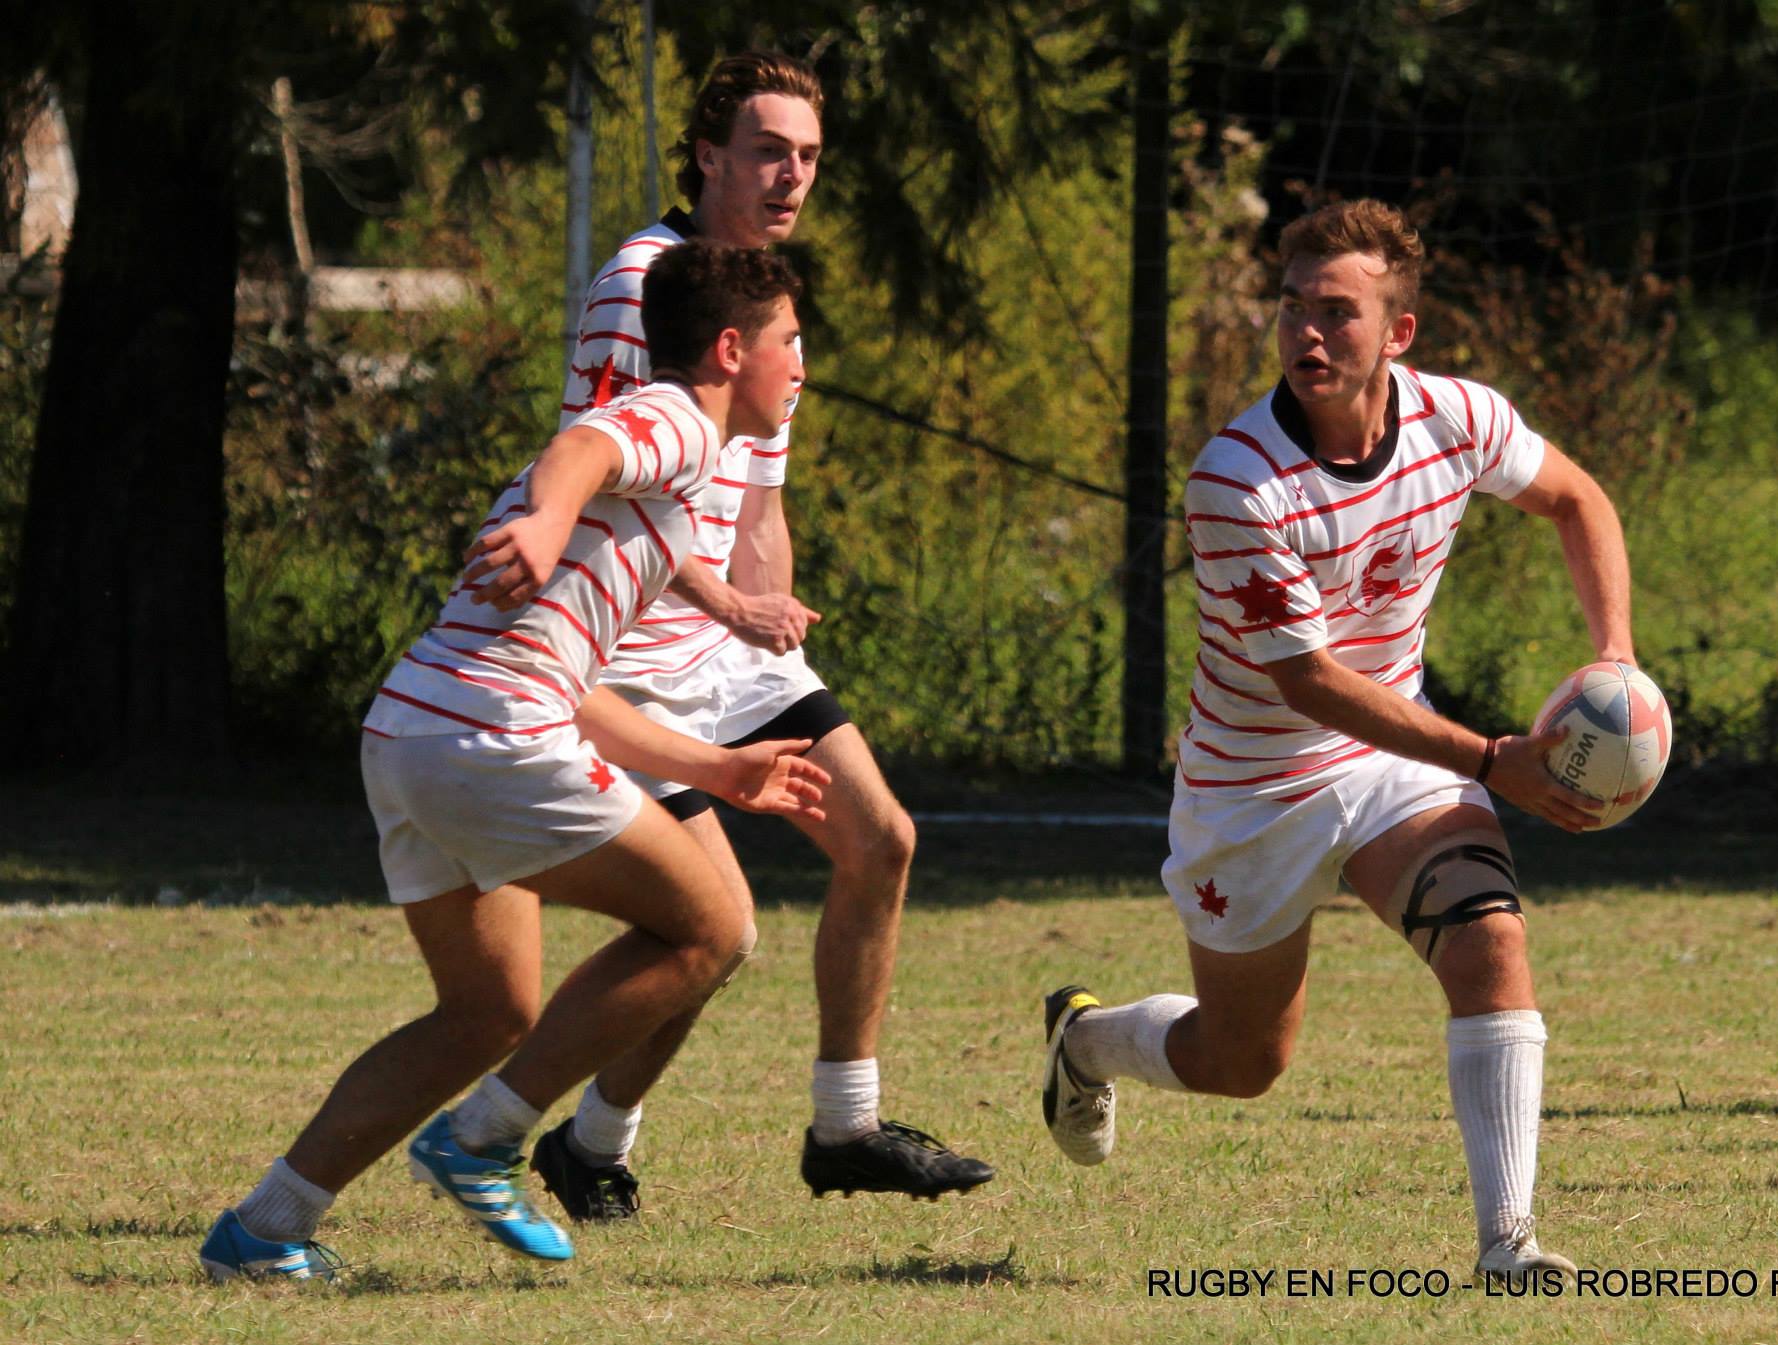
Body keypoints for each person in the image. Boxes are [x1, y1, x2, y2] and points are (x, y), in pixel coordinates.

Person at [200, 241, 825, 1279]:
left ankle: (262, 1229)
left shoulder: (670, 501)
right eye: (789, 340)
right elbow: (584, 445)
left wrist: (715, 768)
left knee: (488, 1011)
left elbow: (573, 684)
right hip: (487, 736)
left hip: (414, 731)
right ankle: (481, 1138)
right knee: (713, 926)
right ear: (729, 349)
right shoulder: (674, 419)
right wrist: (546, 512)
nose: (801, 364)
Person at [1039, 198, 1635, 1286]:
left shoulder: (1458, 418)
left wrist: (1617, 658)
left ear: (1396, 332)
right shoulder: (1238, 478)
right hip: (1249, 793)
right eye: (1291, 308)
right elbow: (1305, 679)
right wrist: (1490, 759)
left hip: (1392, 762)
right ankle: (1083, 1042)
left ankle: (1506, 1245)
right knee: (1240, 1063)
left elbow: (1575, 500)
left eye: (1336, 312)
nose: (1306, 334)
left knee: (1489, 943)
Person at [534, 50, 990, 1220]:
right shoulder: (642, 280)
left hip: (731, 655)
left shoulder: (768, 288)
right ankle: (586, 1142)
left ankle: (844, 1126)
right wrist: (725, 601)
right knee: (708, 928)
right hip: (631, 656)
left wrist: (769, 631)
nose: (791, 173)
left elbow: (758, 505)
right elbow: (598, 481)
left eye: (807, 156)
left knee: (881, 836)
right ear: (707, 156)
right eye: (766, 150)